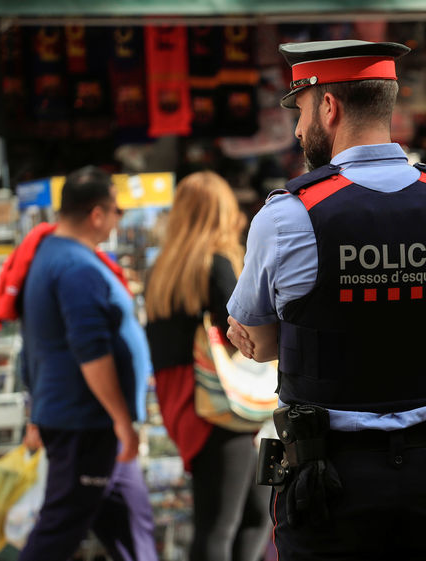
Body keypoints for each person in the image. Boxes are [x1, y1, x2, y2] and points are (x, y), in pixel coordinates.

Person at [225, 40, 426, 561]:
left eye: (300, 112)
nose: (299, 131)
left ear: (329, 106)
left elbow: (254, 340)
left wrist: (294, 336)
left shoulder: (287, 215)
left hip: (332, 486)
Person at [18, 166, 157, 561]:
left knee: (133, 527)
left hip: (90, 424)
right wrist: (120, 419)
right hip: (88, 425)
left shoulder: (52, 256)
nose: (119, 219)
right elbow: (90, 351)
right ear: (97, 214)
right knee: (57, 531)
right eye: (118, 211)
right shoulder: (76, 267)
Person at [144, 171, 270, 561]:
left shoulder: (163, 271)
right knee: (226, 525)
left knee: (244, 514)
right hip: (219, 401)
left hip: (185, 402)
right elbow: (245, 332)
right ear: (223, 212)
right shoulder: (216, 264)